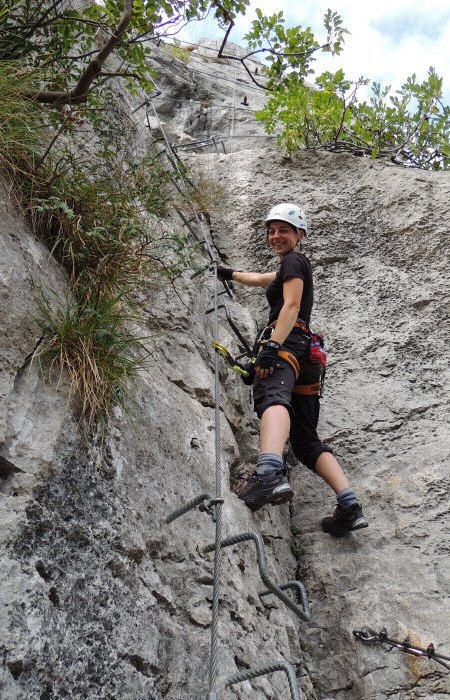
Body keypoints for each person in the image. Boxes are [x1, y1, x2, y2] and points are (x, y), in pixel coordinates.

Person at [217, 203, 368, 535]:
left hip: (287, 342)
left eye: (283, 230)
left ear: (300, 235)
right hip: (306, 357)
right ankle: (349, 504)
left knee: (273, 397)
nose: (275, 236)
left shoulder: (296, 261)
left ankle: (269, 471)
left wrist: (271, 348)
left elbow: (292, 305)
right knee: (305, 441)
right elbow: (259, 279)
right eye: (271, 230)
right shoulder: (288, 267)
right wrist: (227, 274)